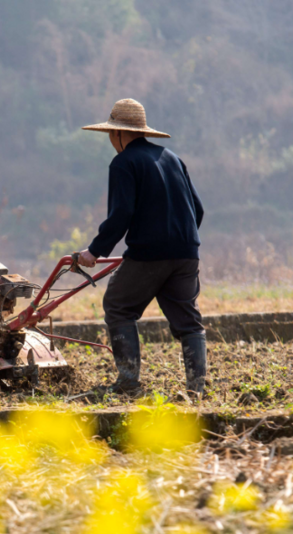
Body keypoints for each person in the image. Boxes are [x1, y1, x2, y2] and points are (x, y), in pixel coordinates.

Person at [76, 98, 207, 398]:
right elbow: (197, 210)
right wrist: (179, 240)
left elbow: (121, 214)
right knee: (188, 322)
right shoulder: (172, 158)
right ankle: (196, 389)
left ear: (119, 133)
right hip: (187, 253)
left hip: (150, 254)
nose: (110, 140)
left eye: (110, 134)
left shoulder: (123, 163)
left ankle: (129, 383)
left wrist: (93, 251)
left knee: (118, 305)